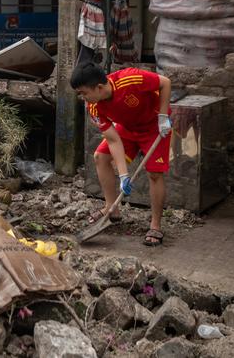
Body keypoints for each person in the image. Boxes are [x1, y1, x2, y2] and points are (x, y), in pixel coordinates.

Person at [70, 63, 172, 246]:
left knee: (154, 173)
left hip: (155, 126)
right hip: (127, 128)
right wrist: (124, 175)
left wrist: (163, 116)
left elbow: (165, 82)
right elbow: (113, 140)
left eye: (84, 93)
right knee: (100, 157)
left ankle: (155, 224)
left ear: (99, 87)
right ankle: (112, 208)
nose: (83, 98)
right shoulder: (94, 108)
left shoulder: (129, 79)